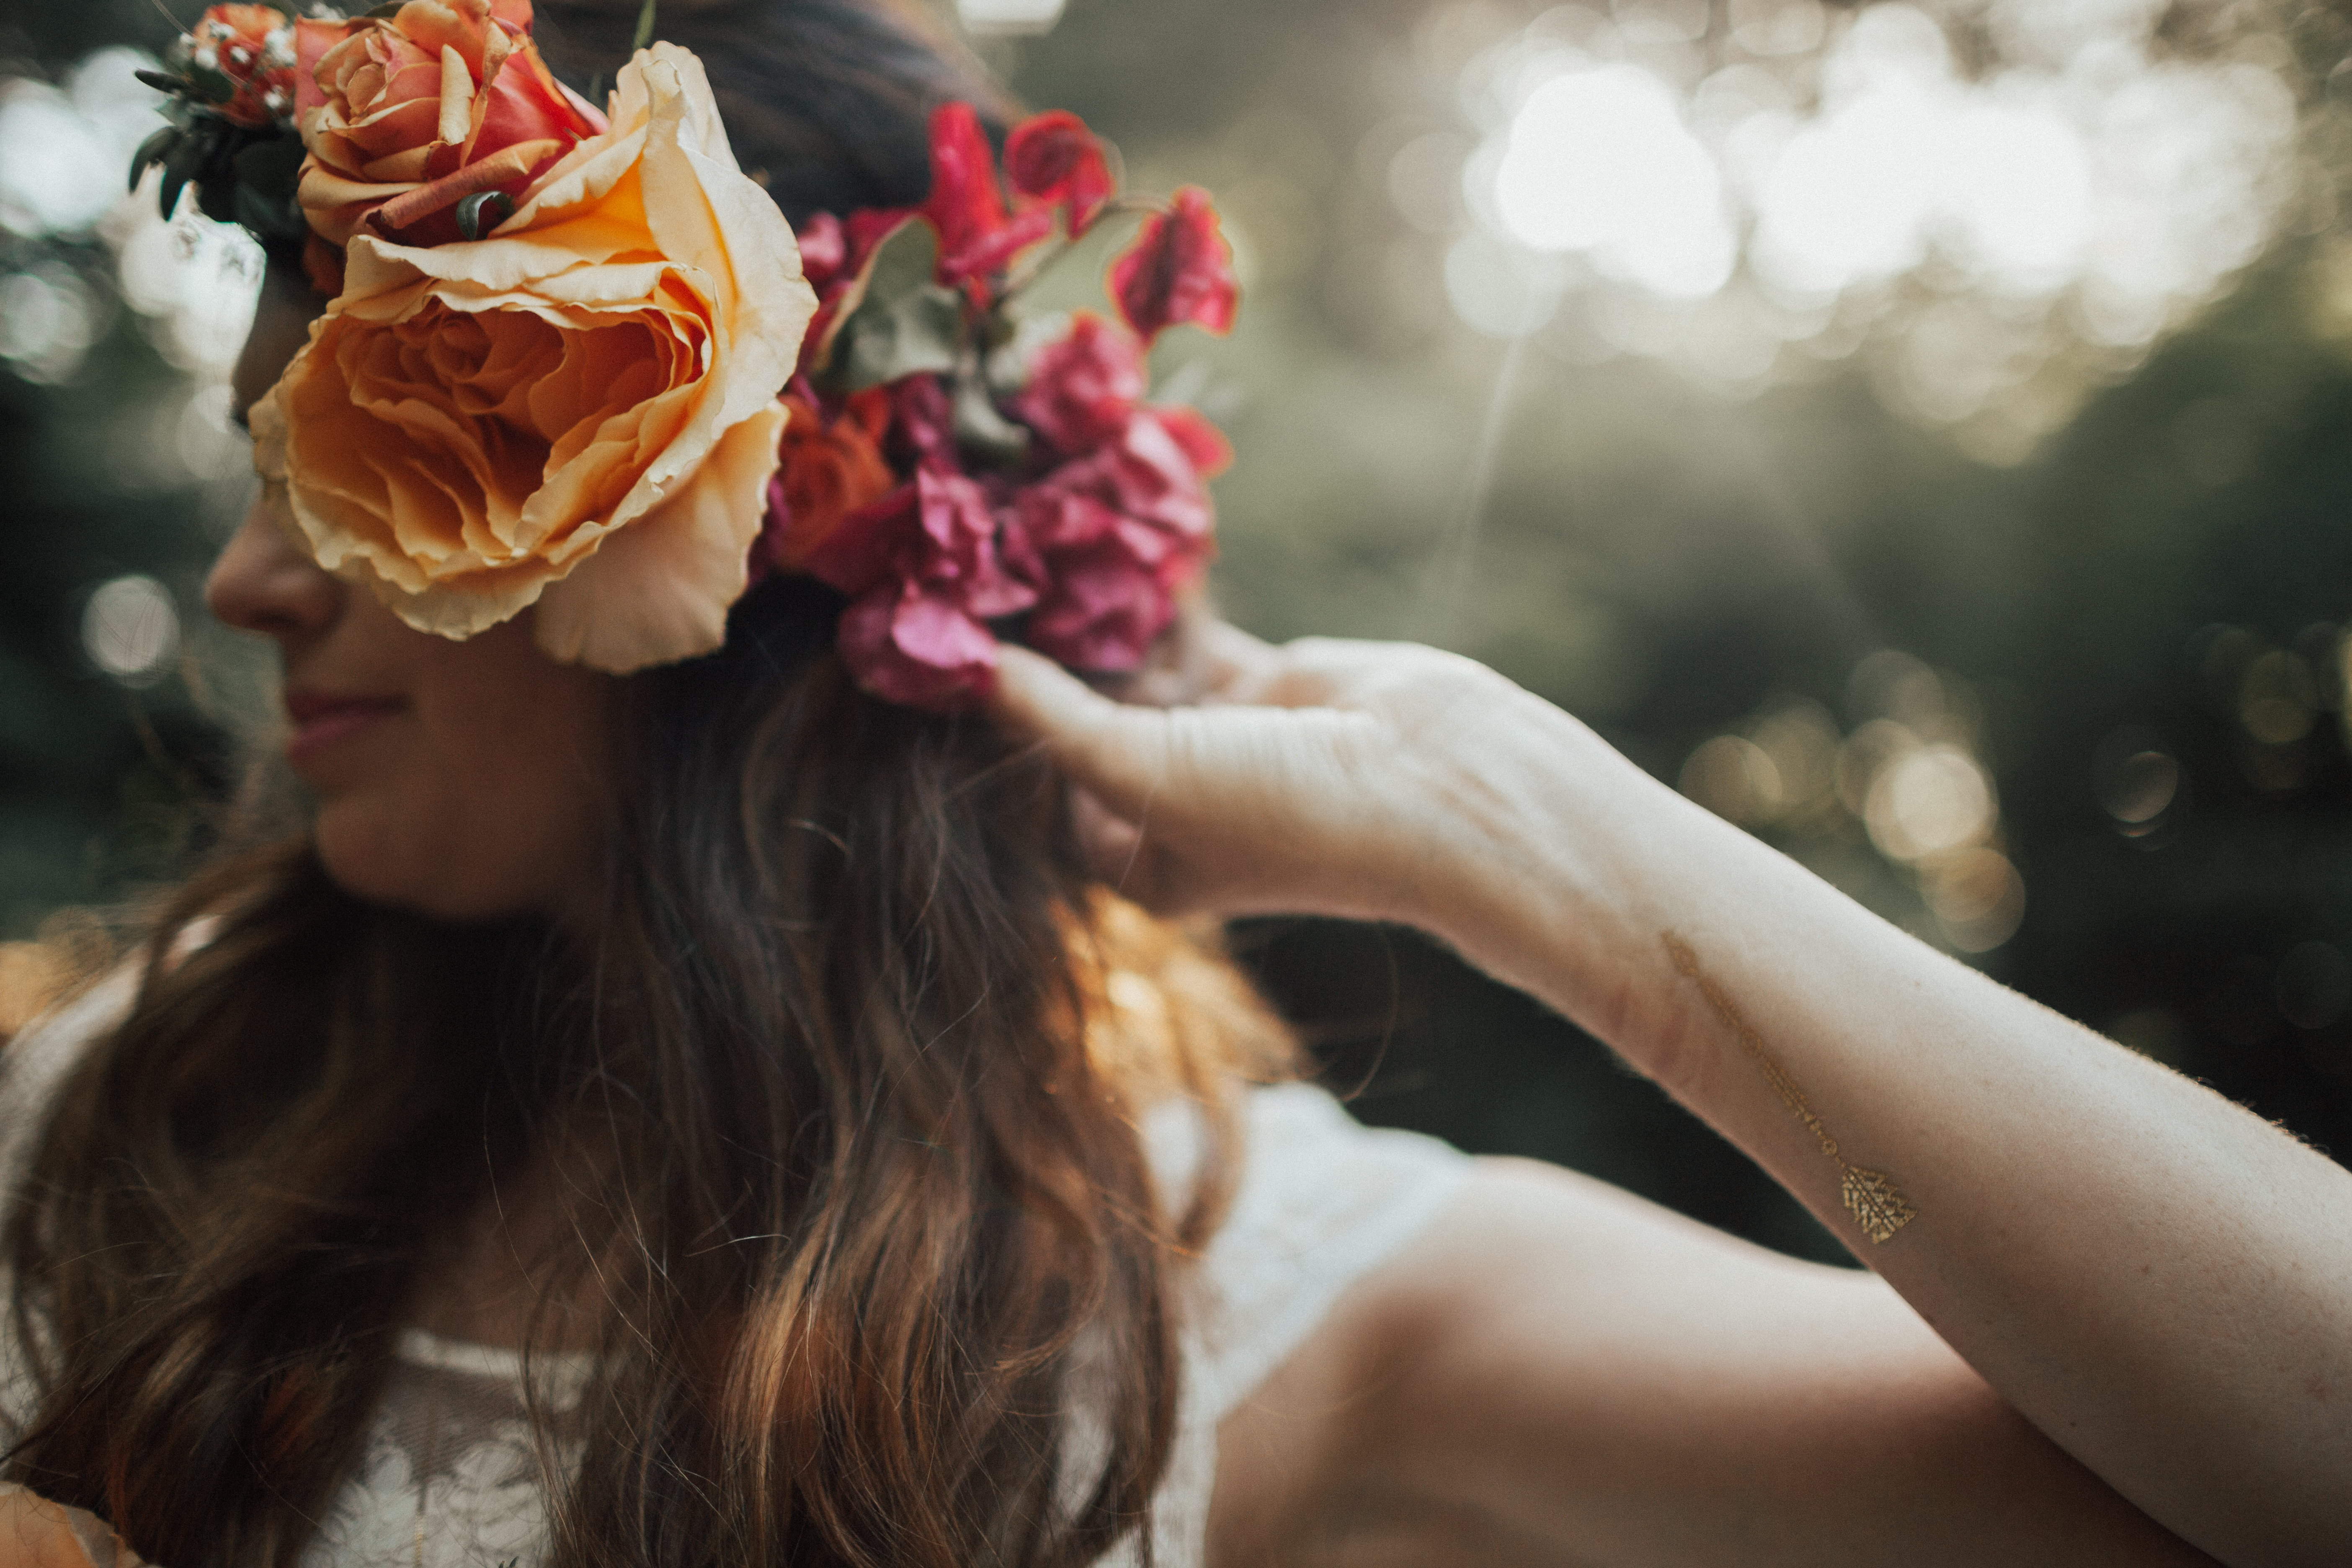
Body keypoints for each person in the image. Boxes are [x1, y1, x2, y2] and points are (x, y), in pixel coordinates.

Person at [2, 2, 2346, 1565]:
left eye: (352, 470)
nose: (238, 587)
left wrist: (1536, 845)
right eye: (268, 470)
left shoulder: (1230, 1293)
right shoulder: (116, 1113)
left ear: (750, 530)